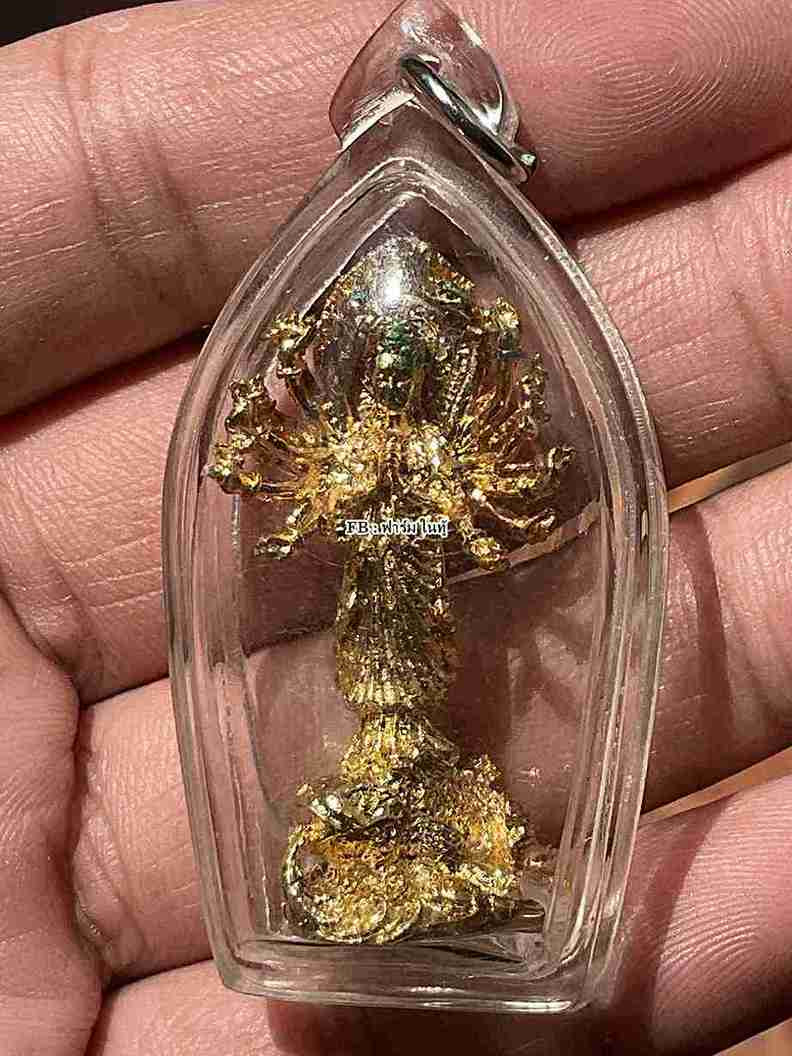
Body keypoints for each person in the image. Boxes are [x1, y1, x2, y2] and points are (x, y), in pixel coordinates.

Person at [1, 0, 791, 1053]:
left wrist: (446, 489)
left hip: (422, 598)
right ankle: (382, 805)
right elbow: (284, 478)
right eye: (385, 362)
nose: (396, 374)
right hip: (372, 594)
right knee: (375, 682)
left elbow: (499, 489)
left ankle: (427, 807)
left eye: (413, 362)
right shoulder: (349, 431)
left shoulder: (437, 426)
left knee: (416, 681)